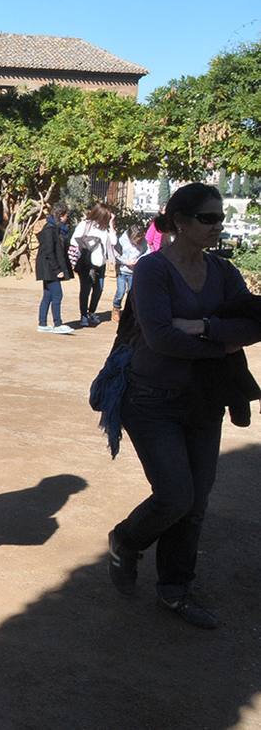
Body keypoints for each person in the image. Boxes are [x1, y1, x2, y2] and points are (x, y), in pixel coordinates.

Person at [108, 183, 261, 629]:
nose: (218, 225)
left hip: (204, 401)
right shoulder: (153, 270)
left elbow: (254, 321)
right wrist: (223, 343)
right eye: (208, 218)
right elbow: (160, 338)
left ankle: (175, 590)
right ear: (180, 221)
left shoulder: (223, 271)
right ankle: (126, 540)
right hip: (150, 399)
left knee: (195, 504)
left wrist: (203, 325)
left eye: (219, 218)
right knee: (176, 495)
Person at [72, 202, 117, 327]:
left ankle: (91, 312)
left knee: (99, 289)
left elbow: (113, 241)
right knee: (85, 289)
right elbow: (74, 240)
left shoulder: (106, 229)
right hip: (86, 263)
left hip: (100, 264)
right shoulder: (85, 225)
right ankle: (83, 315)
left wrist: (111, 225)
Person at [36, 204, 75, 334]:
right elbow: (49, 252)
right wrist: (57, 270)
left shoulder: (55, 229)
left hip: (48, 268)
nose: (66, 219)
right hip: (49, 269)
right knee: (57, 294)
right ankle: (57, 324)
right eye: (65, 216)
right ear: (60, 216)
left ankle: (42, 323)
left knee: (47, 295)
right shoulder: (49, 229)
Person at [112, 225, 147, 321]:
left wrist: (139, 260)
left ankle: (130, 312)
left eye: (138, 240)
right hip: (122, 271)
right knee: (120, 291)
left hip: (133, 272)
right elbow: (115, 254)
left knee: (132, 293)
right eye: (135, 240)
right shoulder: (121, 241)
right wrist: (125, 262)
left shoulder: (144, 242)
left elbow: (147, 252)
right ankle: (116, 308)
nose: (136, 243)